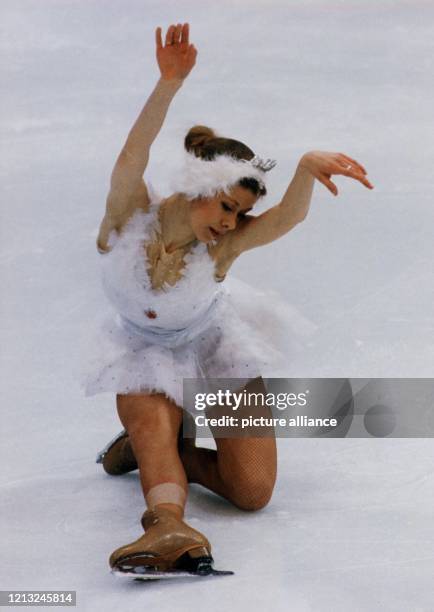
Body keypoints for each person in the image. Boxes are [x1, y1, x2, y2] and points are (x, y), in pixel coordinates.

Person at [84, 22, 373, 575]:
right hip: (145, 354)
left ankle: (173, 453)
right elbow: (132, 153)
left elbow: (285, 219)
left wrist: (308, 167)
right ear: (195, 186)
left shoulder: (219, 250)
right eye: (224, 207)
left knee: (252, 491)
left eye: (237, 213)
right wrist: (168, 83)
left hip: (215, 350)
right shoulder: (128, 217)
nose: (230, 222)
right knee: (151, 418)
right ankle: (166, 521)